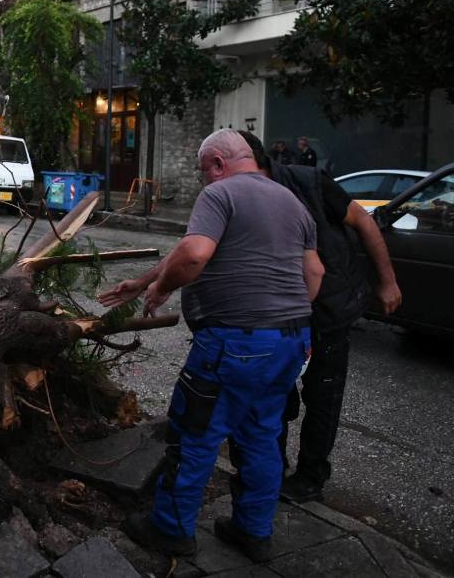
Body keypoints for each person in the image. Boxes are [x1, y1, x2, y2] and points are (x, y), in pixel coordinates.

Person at [100, 129, 325, 562]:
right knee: (262, 435)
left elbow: (195, 254)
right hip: (291, 340)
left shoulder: (221, 194)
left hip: (235, 342)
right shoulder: (292, 203)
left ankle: (170, 528)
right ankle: (254, 532)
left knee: (194, 433)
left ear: (219, 163)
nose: (204, 179)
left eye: (204, 170)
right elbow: (313, 274)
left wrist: (161, 288)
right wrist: (278, 318)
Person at [236, 131, 401, 504]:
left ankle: (310, 477)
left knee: (322, 396)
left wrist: (388, 281)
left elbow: (364, 222)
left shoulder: (308, 182)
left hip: (327, 310)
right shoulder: (237, 194)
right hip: (276, 316)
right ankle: (271, 468)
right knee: (272, 396)